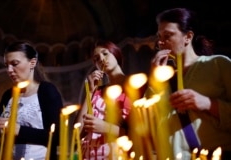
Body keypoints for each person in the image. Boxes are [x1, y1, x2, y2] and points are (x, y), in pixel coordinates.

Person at [150, 8, 231, 160]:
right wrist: (155, 81)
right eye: (159, 37)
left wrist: (208, 103)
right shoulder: (162, 78)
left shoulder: (218, 65)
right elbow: (148, 124)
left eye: (167, 36)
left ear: (188, 37)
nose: (161, 42)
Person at [0, 41, 64, 160]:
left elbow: (58, 136)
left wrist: (20, 130)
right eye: (7, 65)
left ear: (32, 62)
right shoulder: (8, 95)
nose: (9, 70)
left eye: (14, 63)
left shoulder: (47, 91)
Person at [75, 40, 132, 160]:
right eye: (96, 59)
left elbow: (139, 132)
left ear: (115, 54)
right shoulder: (97, 92)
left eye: (105, 53)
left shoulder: (134, 87)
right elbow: (77, 133)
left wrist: (106, 128)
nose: (101, 59)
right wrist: (90, 92)